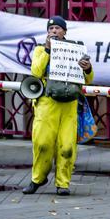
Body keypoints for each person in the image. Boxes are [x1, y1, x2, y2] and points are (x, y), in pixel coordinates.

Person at [23, 16, 94, 196]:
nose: (54, 31)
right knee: (43, 143)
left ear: (64, 31)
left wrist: (87, 68)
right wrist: (47, 50)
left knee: (67, 146)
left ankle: (63, 183)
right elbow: (36, 72)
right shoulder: (40, 49)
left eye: (58, 28)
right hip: (47, 104)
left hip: (69, 105)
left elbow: (88, 79)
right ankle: (37, 179)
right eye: (51, 28)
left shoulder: (75, 49)